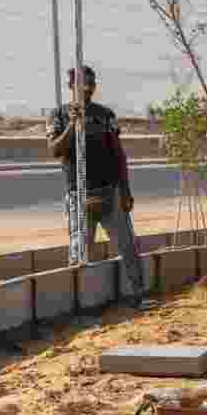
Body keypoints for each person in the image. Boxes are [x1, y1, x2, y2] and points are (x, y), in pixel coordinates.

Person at [46, 66, 150, 309]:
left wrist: (125, 190)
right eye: (83, 83)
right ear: (71, 86)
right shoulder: (58, 115)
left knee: (128, 246)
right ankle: (79, 306)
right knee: (80, 252)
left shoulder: (105, 115)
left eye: (92, 83)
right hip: (78, 194)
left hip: (109, 193)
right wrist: (73, 125)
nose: (88, 88)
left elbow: (118, 155)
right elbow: (55, 150)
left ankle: (139, 294)